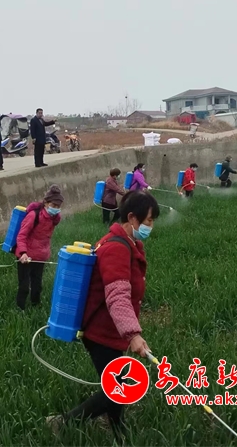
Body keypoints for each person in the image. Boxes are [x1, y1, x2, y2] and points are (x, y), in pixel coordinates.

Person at [46, 190, 160, 444]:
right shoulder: (116, 248)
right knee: (118, 389)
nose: (151, 227)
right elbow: (117, 295)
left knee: (116, 385)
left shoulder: (125, 243)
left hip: (110, 330)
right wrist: (133, 334)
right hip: (102, 333)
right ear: (132, 218)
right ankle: (63, 422)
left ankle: (118, 429)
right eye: (149, 221)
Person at [14, 184, 64, 310]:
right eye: (53, 205)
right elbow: (21, 235)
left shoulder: (54, 219)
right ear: (46, 203)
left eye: (58, 206)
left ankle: (36, 306)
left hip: (40, 256)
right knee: (24, 286)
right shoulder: (33, 216)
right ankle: (20, 308)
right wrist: (23, 253)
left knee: (37, 285)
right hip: (25, 256)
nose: (56, 209)